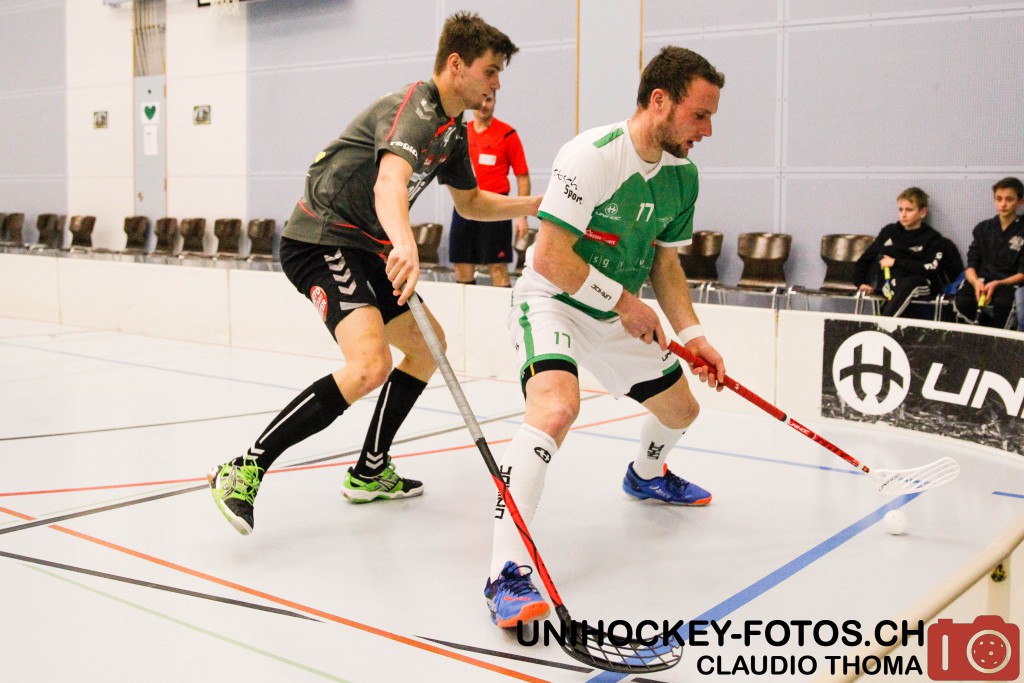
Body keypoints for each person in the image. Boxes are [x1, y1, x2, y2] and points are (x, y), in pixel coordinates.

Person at [207, 12, 541, 535]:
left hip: (366, 246)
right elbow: (390, 183)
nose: (497, 83)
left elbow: (471, 203)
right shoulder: (414, 111)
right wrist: (405, 243)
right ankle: (244, 467)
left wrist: (538, 204)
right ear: (457, 65)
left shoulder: (452, 132)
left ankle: (370, 470)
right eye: (490, 70)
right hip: (322, 237)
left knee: (428, 347)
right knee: (369, 364)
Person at [482, 46, 728, 629]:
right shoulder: (591, 155)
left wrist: (694, 335)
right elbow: (549, 257)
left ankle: (646, 476)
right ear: (659, 101)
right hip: (554, 303)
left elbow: (665, 264)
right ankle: (504, 573)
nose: (707, 131)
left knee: (682, 411)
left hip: (617, 313)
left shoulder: (683, 176)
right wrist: (623, 302)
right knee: (555, 409)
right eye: (699, 115)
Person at [449, 91, 531, 287]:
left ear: (495, 101)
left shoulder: (507, 134)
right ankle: (467, 308)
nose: (484, 104)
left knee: (497, 266)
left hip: (496, 207)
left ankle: (503, 308)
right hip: (464, 204)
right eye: (482, 99)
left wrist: (522, 216)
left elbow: (522, 176)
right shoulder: (461, 132)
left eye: (489, 100)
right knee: (462, 265)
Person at [853, 187, 961, 317]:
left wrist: (895, 262)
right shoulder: (889, 232)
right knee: (900, 285)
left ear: (922, 212)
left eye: (909, 210)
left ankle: (883, 323)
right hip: (891, 284)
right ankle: (885, 323)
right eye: (900, 209)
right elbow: (864, 260)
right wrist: (860, 283)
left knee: (911, 283)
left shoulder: (933, 239)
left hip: (921, 285)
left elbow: (930, 269)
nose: (903, 214)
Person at [953, 177, 1024, 328]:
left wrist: (998, 283)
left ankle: (1000, 336)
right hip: (982, 281)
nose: (1003, 204)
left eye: (1009, 199)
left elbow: (1022, 273)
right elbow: (971, 265)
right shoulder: (983, 228)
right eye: (999, 199)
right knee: (963, 301)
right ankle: (985, 331)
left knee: (1003, 304)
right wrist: (976, 282)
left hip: (1008, 283)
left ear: (1020, 202)